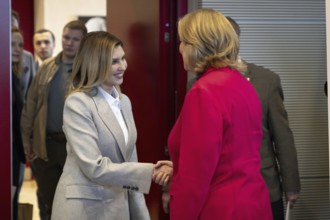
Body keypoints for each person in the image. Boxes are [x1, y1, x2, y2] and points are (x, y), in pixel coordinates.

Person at [159, 9, 272, 220]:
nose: (180, 48)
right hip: (253, 203)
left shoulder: (204, 91)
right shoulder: (241, 83)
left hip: (219, 209)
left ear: (198, 46)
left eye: (183, 42)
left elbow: (195, 179)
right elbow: (231, 152)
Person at [51, 31, 172, 220]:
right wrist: (152, 171)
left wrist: (141, 213)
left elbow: (129, 159)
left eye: (123, 58)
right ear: (95, 63)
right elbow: (95, 167)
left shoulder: (124, 101)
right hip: (84, 209)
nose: (123, 66)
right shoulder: (78, 103)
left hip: (117, 206)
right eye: (114, 61)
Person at [226, 16, 301, 220]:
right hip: (219, 193)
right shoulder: (197, 84)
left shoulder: (266, 81)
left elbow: (282, 137)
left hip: (264, 189)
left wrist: (291, 185)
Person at [20, 20, 88, 218]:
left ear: (83, 42)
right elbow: (30, 105)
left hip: (75, 148)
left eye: (75, 39)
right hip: (46, 146)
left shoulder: (87, 70)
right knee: (49, 203)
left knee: (73, 205)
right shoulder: (46, 67)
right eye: (66, 37)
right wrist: (26, 140)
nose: (69, 43)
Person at [11, 27, 28, 220]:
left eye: (20, 45)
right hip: (6, 154)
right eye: (12, 44)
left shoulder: (13, 76)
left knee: (12, 205)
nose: (17, 49)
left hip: (13, 153)